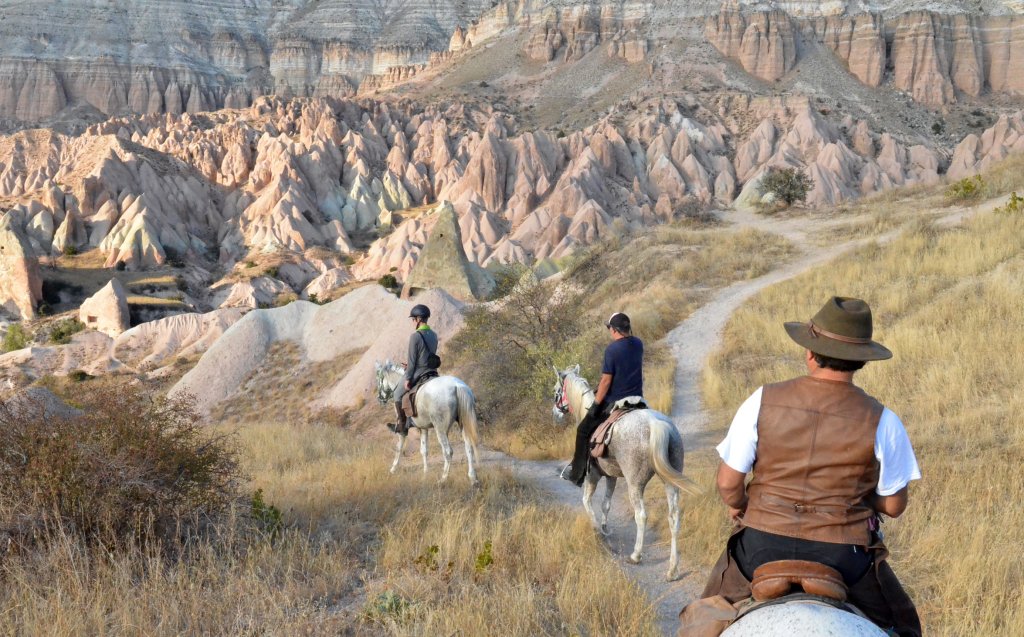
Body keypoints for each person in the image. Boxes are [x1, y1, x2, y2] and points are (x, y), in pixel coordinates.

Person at [679, 296, 922, 637]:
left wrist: (742, 507)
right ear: (861, 361)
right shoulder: (883, 419)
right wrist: (862, 496)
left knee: (702, 619)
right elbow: (894, 506)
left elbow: (728, 482)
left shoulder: (761, 399)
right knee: (904, 624)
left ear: (809, 352)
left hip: (761, 545)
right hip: (843, 554)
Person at [562, 312, 644, 485]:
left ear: (614, 330)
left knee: (583, 430)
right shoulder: (638, 344)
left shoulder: (612, 350)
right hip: (638, 400)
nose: (609, 331)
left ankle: (577, 474)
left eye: (609, 328)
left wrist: (596, 404)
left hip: (616, 401)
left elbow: (606, 381)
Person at [387, 303, 440, 435]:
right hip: (432, 371)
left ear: (419, 319)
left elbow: (412, 360)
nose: (412, 322)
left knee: (397, 394)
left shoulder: (415, 336)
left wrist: (408, 377)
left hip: (418, 372)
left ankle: (402, 426)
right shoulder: (434, 335)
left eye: (413, 319)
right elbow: (427, 355)